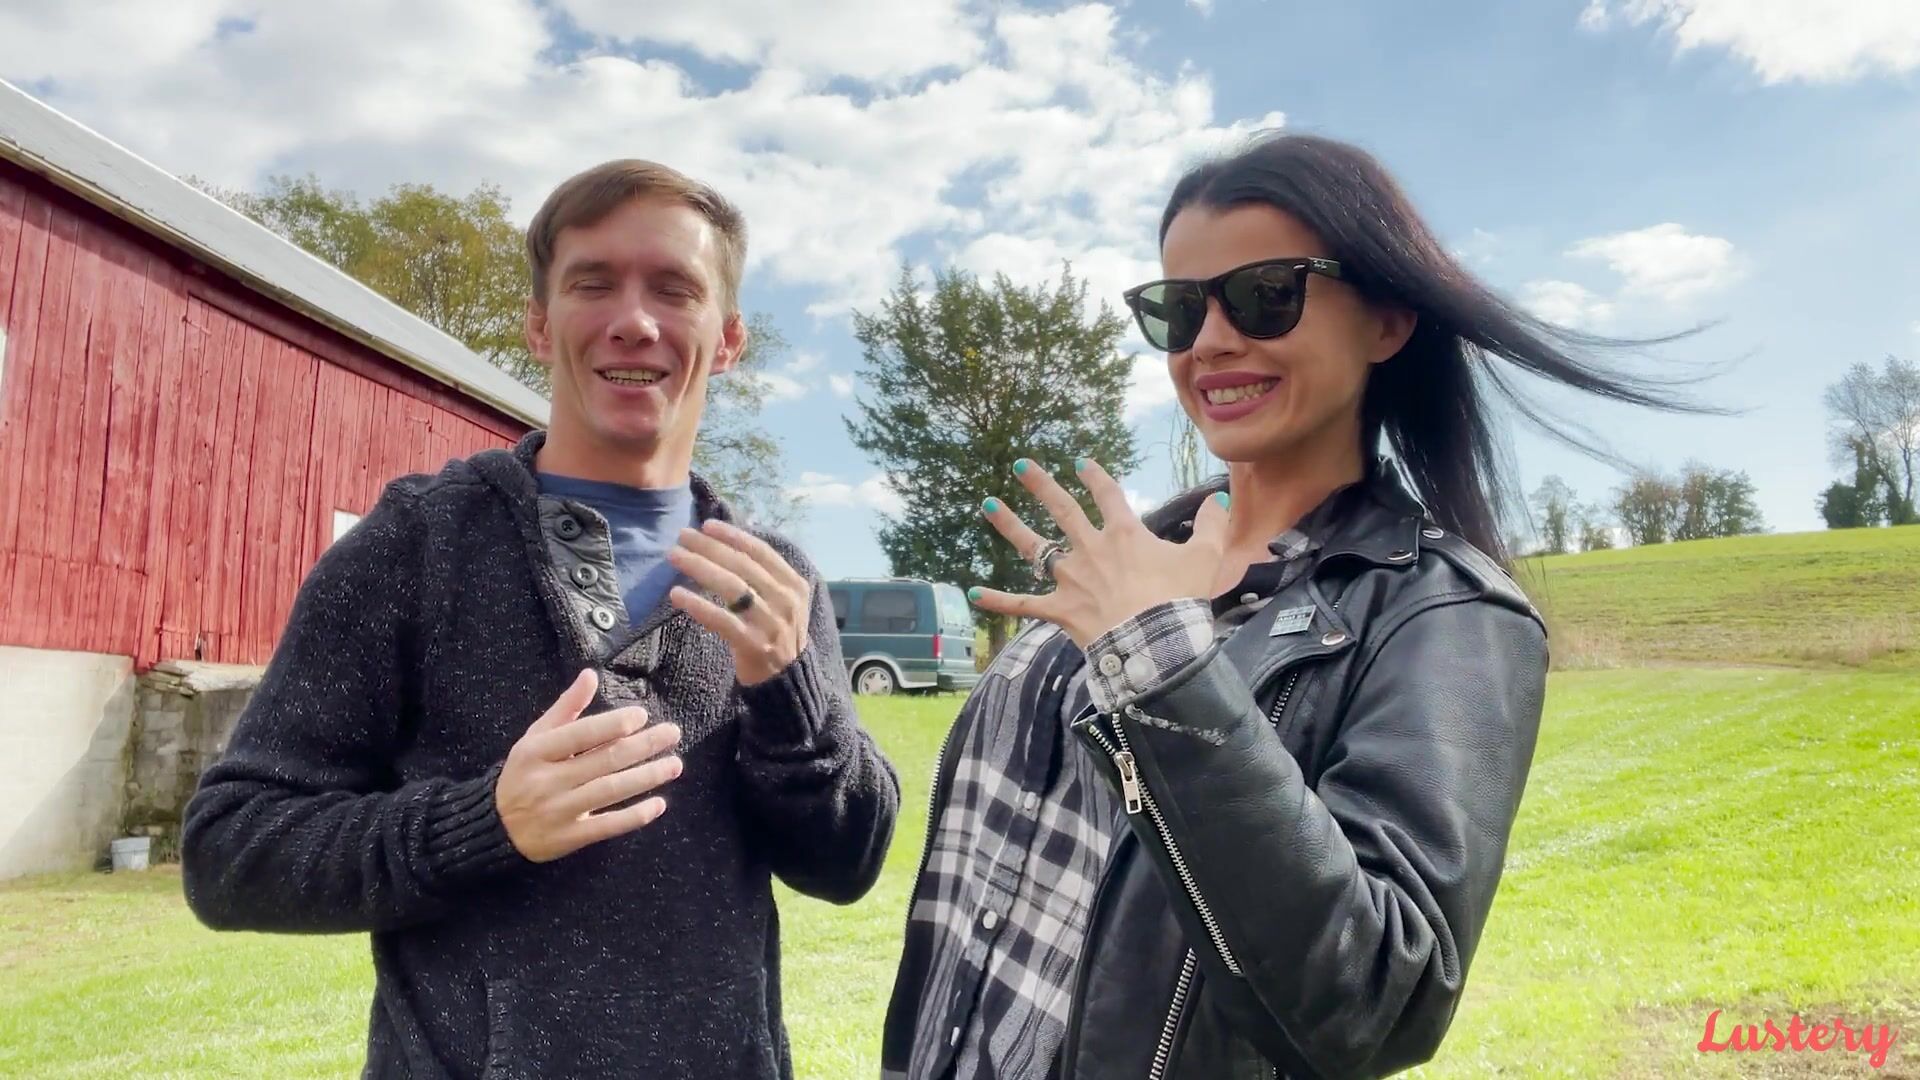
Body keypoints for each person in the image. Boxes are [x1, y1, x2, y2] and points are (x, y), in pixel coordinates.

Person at [880, 132, 1709, 1079]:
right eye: (1179, 309)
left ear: (1387, 321)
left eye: (1266, 294)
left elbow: (1376, 1003)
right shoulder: (1122, 562)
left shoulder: (1447, 615)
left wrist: (1159, 666)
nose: (1210, 342)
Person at [181, 159, 900, 1080]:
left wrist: (791, 700)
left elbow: (845, 866)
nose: (633, 319)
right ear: (537, 324)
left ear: (727, 340)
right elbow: (229, 851)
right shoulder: (415, 547)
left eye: (674, 289)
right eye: (592, 283)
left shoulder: (774, 582)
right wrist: (484, 823)